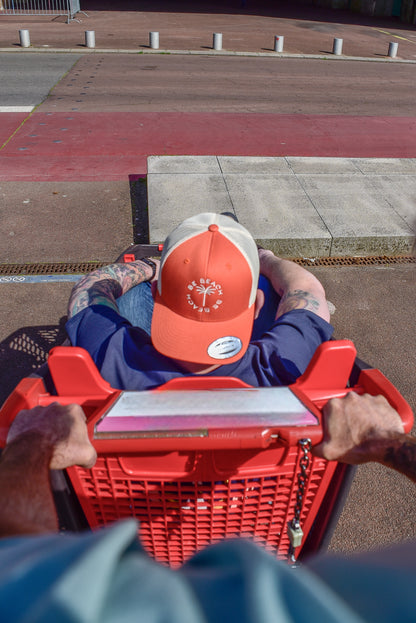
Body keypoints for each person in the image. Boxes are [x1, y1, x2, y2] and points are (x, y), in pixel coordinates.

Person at [0, 394, 414, 623]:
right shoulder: (288, 344)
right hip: (260, 505)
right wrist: (390, 441)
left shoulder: (112, 348)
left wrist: (31, 442)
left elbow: (12, 544)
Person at [66, 212, 333, 390]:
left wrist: (155, 267)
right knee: (269, 284)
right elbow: (306, 290)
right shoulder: (280, 363)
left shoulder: (114, 355)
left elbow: (90, 289)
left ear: (156, 292)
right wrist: (264, 260)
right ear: (256, 307)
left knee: (130, 292)